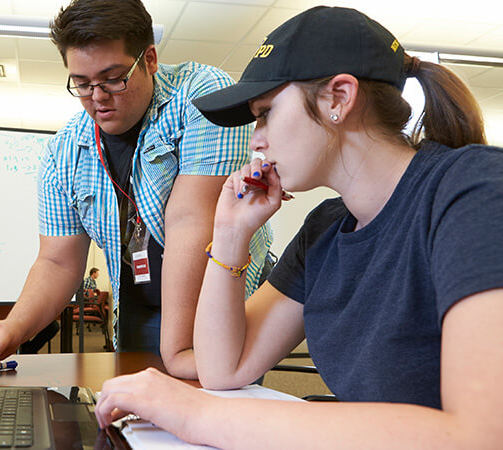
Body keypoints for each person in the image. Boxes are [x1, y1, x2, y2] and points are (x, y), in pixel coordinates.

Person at [94, 6, 503, 448]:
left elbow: (479, 433)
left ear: (338, 99)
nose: (256, 140)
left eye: (266, 112)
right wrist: (231, 235)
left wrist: (200, 414)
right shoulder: (326, 228)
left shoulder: (474, 189)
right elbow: (223, 367)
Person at [0, 0, 271, 380]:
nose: (97, 97)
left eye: (113, 78)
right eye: (81, 83)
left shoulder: (201, 96)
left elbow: (193, 225)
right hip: (136, 309)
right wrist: (11, 330)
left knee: (214, 414)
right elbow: (57, 262)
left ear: (150, 59)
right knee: (135, 427)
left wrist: (178, 353)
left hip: (216, 300)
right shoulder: (65, 151)